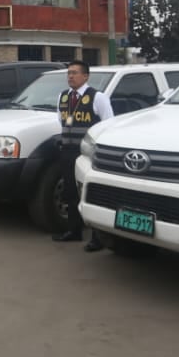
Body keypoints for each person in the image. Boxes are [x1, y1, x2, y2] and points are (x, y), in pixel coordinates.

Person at [52, 60, 114, 251]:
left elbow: (108, 125)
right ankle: (74, 230)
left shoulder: (98, 97)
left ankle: (98, 238)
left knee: (91, 194)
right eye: (68, 73)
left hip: (88, 155)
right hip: (68, 152)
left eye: (74, 73)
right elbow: (61, 121)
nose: (70, 76)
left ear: (85, 76)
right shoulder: (63, 97)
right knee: (70, 192)